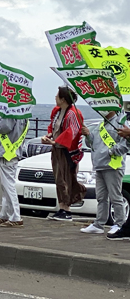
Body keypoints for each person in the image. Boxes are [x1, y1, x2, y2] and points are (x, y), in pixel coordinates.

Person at [42, 86, 86, 221]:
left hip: (67, 151)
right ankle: (62, 207)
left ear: (63, 99)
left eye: (57, 96)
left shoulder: (73, 113)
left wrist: (54, 142)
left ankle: (67, 209)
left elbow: (71, 133)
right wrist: (49, 136)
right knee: (58, 179)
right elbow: (54, 127)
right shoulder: (57, 111)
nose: (55, 98)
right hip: (57, 148)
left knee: (65, 178)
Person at [80, 110, 127, 234]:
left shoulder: (120, 123)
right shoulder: (100, 125)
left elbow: (125, 144)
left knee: (115, 197)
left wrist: (111, 152)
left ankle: (119, 223)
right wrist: (87, 135)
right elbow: (92, 144)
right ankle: (99, 223)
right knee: (101, 197)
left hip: (113, 165)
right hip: (99, 165)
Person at [0, 109, 29, 227]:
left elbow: (3, 127)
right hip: (14, 150)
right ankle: (4, 214)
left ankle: (15, 216)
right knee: (5, 185)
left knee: (8, 185)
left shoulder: (10, 112)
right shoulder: (24, 112)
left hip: (8, 152)